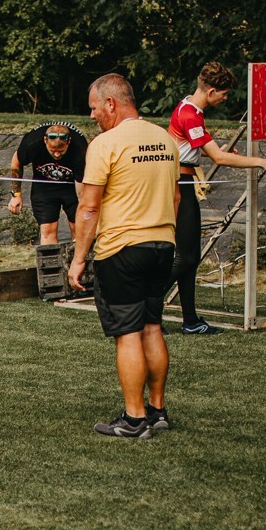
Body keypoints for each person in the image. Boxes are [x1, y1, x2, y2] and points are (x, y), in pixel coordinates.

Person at [67, 73, 181, 439]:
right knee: (152, 326)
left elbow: (88, 207)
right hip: (163, 245)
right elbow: (176, 198)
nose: (92, 116)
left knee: (128, 334)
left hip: (121, 250)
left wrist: (79, 258)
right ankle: (157, 410)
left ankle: (134, 419)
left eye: (94, 108)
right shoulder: (165, 139)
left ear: (111, 103)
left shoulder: (105, 143)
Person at [167, 62, 266, 335]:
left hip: (184, 182)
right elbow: (219, 158)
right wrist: (262, 162)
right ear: (211, 92)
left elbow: (198, 149)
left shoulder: (189, 108)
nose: (226, 98)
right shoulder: (191, 115)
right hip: (180, 185)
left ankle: (190, 321)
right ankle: (145, 307)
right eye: (224, 94)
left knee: (189, 257)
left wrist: (215, 151)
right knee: (186, 258)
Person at [7, 122, 89, 244]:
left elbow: (81, 187)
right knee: (47, 229)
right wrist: (16, 195)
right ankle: (49, 255)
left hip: (71, 186)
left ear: (68, 142)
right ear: (45, 140)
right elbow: (16, 163)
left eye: (61, 150)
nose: (57, 154)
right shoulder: (32, 142)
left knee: (78, 226)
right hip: (44, 185)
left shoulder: (80, 147)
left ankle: (78, 255)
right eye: (53, 150)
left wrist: (84, 207)